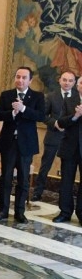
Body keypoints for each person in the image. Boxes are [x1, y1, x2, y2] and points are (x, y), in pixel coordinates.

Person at [0, 67, 45, 223]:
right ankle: (3, 210)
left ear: (30, 80)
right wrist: (12, 113)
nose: (20, 80)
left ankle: (19, 212)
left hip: (26, 144)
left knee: (23, 179)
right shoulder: (6, 95)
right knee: (6, 178)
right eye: (18, 77)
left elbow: (41, 116)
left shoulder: (37, 96)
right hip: (8, 143)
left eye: (24, 77)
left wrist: (24, 109)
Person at [34, 72, 74, 201]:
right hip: (53, 136)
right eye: (64, 80)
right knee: (45, 166)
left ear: (74, 83)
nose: (67, 83)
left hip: (70, 139)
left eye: (70, 80)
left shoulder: (77, 98)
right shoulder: (51, 96)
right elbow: (43, 116)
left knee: (67, 170)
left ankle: (64, 197)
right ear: (59, 80)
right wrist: (55, 123)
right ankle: (37, 192)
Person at [55, 76, 82, 223]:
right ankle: (65, 213)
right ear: (77, 86)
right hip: (69, 148)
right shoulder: (69, 101)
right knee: (66, 181)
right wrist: (76, 115)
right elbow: (61, 122)